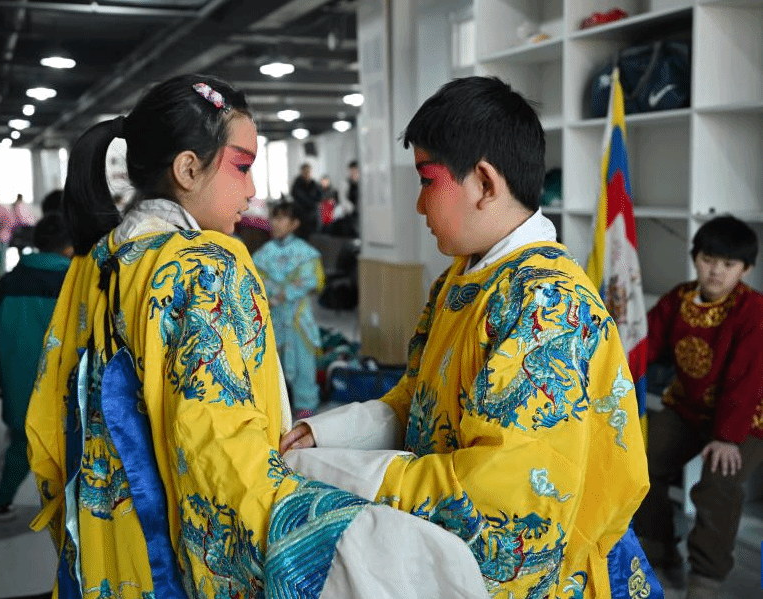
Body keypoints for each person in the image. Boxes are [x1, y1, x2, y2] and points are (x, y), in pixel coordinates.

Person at [26, 74, 490, 599]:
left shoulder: (98, 260)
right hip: (169, 559)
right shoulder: (208, 265)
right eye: (242, 166)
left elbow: (49, 417)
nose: (251, 189)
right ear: (187, 168)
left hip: (101, 545)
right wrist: (341, 539)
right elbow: (222, 457)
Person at [279, 76, 662, 599]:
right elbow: (419, 398)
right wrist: (333, 434)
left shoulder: (547, 305)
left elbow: (500, 503)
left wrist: (335, 472)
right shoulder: (460, 279)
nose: (419, 205)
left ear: (483, 182)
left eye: (426, 180)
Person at [634, 216, 763, 598]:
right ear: (695, 258)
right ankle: (657, 550)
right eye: (709, 259)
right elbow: (646, 346)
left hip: (743, 417)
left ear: (746, 269)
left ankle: (704, 578)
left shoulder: (752, 311)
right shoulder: (678, 298)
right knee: (643, 460)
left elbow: (747, 380)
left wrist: (725, 438)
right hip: (687, 407)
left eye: (728, 264)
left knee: (717, 486)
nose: (716, 271)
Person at [0, 213, 73, 523]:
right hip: (70, 385)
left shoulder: (10, 282)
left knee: (21, 444)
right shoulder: (77, 282)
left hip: (21, 383)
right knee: (76, 445)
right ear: (69, 247)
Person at [252, 200, 324, 419]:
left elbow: (312, 279)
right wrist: (272, 295)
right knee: (273, 361)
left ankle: (306, 401)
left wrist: (282, 294)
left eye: (282, 218)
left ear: (294, 223)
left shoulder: (306, 252)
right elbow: (255, 279)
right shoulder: (263, 253)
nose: (275, 222)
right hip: (272, 316)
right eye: (273, 217)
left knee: (303, 360)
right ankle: (275, 403)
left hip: (297, 317)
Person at [289, 162, 321, 239]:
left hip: (313, 219)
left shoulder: (314, 183)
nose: (307, 173)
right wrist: (312, 201)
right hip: (301, 218)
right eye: (305, 171)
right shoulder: (297, 184)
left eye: (308, 171)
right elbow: (301, 198)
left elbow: (320, 197)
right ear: (301, 172)